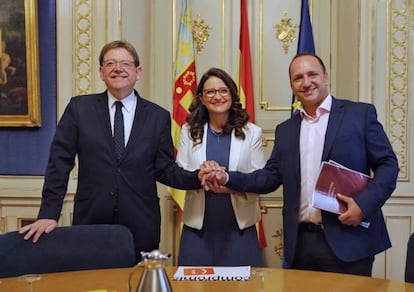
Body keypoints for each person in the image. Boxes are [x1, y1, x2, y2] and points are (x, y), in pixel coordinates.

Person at [203, 52, 399, 276]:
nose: (306, 82)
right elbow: (269, 177)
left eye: (312, 75)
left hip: (349, 241)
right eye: (298, 78)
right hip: (301, 245)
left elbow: (388, 164)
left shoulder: (359, 114)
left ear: (326, 77)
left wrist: (363, 205)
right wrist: (228, 177)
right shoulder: (286, 130)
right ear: (291, 85)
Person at [18, 40, 202, 262]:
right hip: (91, 221)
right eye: (110, 63)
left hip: (141, 224)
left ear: (138, 72)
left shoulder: (157, 117)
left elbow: (164, 169)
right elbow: (59, 163)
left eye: (125, 63)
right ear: (101, 72)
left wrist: (198, 177)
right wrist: (49, 213)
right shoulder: (79, 109)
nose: (118, 68)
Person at [176, 67, 266, 266]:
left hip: (239, 231)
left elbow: (260, 180)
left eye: (223, 91)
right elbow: (180, 174)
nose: (217, 96)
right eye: (210, 92)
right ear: (201, 98)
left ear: (232, 95)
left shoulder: (252, 133)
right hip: (197, 231)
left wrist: (228, 182)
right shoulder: (188, 131)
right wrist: (202, 174)